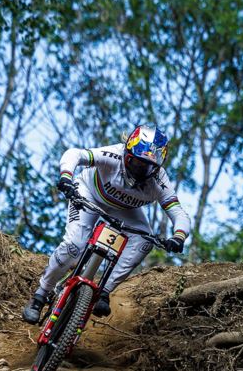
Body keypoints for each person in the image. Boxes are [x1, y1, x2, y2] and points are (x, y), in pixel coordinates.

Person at [21, 125, 193, 324]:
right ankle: (41, 295)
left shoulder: (159, 181)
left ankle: (103, 291)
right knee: (74, 245)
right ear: (126, 152)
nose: (139, 169)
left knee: (145, 241)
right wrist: (66, 176)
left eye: (147, 166)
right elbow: (75, 154)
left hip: (126, 210)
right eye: (135, 162)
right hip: (90, 194)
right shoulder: (113, 154)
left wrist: (178, 236)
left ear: (156, 167)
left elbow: (178, 213)